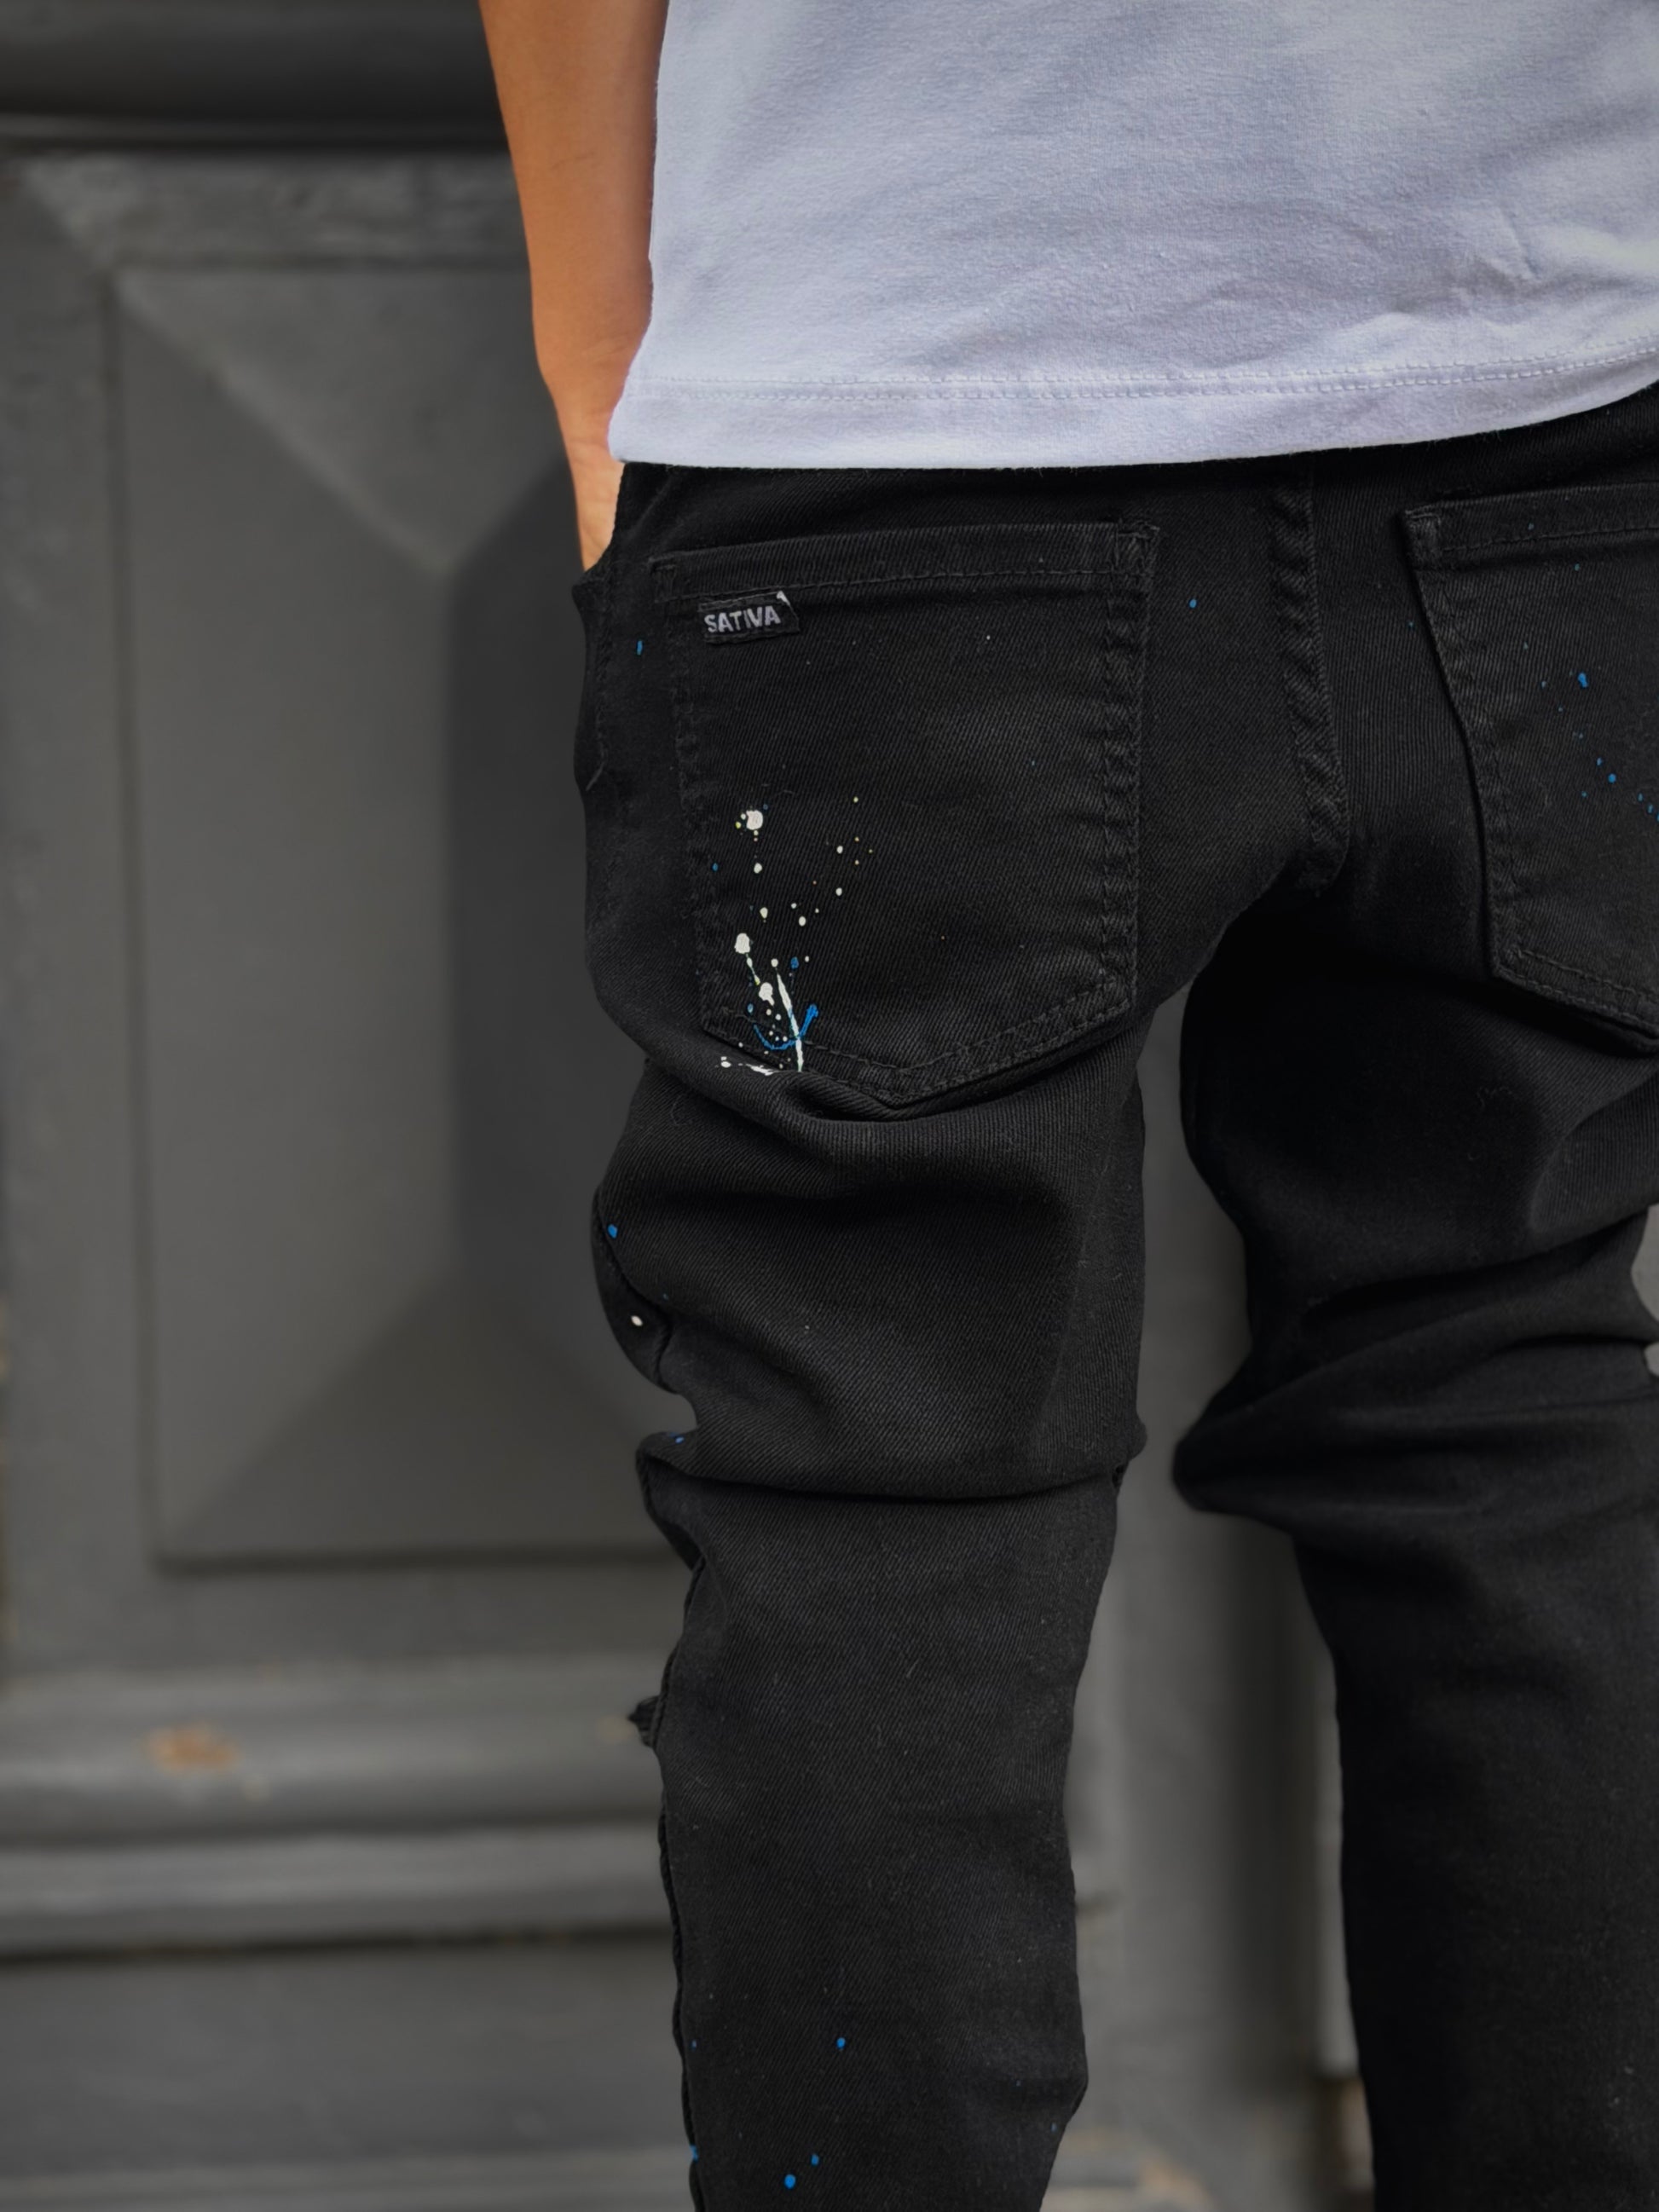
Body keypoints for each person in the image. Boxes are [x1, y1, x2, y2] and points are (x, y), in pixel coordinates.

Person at [477, 6, 1659, 2207]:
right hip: (1554, 387)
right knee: (1512, 1421)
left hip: (897, 394)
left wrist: (600, 370)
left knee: (880, 1487)